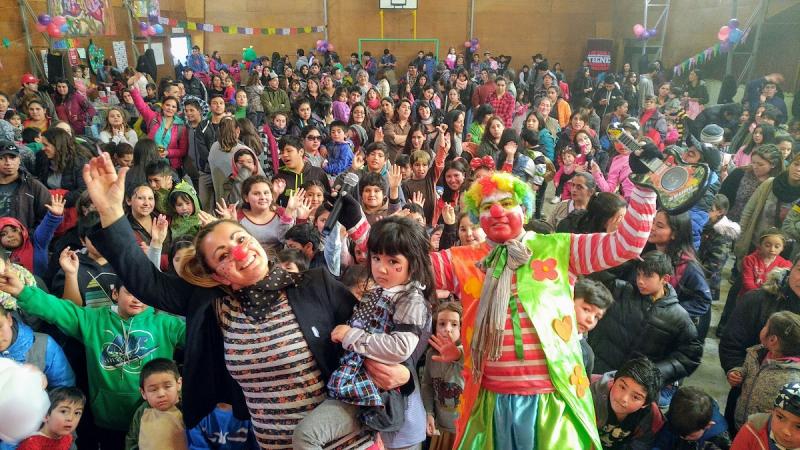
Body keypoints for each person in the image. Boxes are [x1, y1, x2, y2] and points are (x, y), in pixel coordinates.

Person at [81, 153, 406, 448]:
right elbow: (146, 282)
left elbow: (379, 325)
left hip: (350, 440)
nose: (240, 250)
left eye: (240, 238)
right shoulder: (212, 302)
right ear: (217, 275)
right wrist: (111, 211)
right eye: (224, 254)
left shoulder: (313, 284)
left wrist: (403, 374)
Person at [405, 152, 658, 448]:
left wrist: (642, 187)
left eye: (507, 203)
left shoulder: (558, 248)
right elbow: (407, 268)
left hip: (550, 402)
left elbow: (625, 245)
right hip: (489, 402)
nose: (497, 212)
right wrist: (374, 227)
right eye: (487, 206)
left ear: (524, 209)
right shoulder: (463, 259)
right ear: (477, 217)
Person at [293, 216, 433, 449]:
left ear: (413, 264)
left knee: (306, 435)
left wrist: (350, 336)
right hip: (359, 391)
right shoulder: (378, 292)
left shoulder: (411, 299)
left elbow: (401, 349)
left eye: (392, 261)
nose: (381, 268)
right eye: (376, 258)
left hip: (383, 401)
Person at [588, 251, 703, 384]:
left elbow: (689, 356)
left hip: (634, 388)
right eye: (638, 274)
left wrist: (652, 376)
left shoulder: (678, 317)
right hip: (596, 374)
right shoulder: (621, 291)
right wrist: (626, 259)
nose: (640, 281)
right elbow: (595, 278)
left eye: (648, 276)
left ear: (665, 279)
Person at [728, 311, 800, 430]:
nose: (763, 328)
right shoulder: (757, 353)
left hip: (760, 431)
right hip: (740, 420)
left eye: (766, 326)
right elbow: (747, 369)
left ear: (772, 339)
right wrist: (738, 372)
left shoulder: (793, 378)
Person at [590, 357, 665, 449]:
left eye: (635, 397)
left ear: (645, 404)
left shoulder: (651, 416)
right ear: (614, 381)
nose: (624, 398)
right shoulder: (588, 391)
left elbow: (640, 445)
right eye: (622, 387)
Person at [422, 302, 464, 450]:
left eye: (454, 324)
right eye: (442, 324)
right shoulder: (431, 355)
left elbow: (467, 360)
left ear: (461, 328)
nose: (447, 329)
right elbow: (427, 385)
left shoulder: (468, 354)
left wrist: (458, 355)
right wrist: (429, 413)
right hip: (441, 428)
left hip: (465, 431)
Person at [126, 358, 187, 450]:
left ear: (179, 383)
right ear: (143, 393)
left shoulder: (188, 410)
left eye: (167, 386)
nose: (161, 394)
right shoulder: (142, 411)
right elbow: (132, 440)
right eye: (153, 390)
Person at [0, 194, 64, 276]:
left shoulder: (37, 243)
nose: (10, 235)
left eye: (14, 230)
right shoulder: (2, 256)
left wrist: (54, 216)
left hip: (40, 286)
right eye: (3, 234)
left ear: (22, 231)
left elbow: (45, 230)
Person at [129, 87, 188, 172]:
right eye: (167, 105)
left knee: (180, 185)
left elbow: (183, 151)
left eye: (173, 107)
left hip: (172, 167)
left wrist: (168, 152)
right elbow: (141, 106)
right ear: (162, 106)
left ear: (177, 110)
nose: (170, 108)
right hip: (150, 163)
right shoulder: (153, 117)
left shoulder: (181, 127)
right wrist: (132, 89)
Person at [652, 386, 730, 450]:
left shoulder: (719, 439)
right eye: (679, 433)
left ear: (708, 425)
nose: (683, 438)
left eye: (691, 436)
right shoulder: (675, 417)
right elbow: (662, 440)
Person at [731, 382, 800, 450]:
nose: (785, 431)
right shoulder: (753, 429)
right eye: (780, 417)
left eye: (798, 426)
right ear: (773, 411)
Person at [0, 141, 52, 230]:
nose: (8, 162)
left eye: (12, 157)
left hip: (24, 241)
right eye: (1, 158)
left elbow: (47, 218)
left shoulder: (33, 186)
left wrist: (29, 236)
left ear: (19, 160)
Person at [698, 194, 741, 301]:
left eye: (710, 209)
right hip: (702, 271)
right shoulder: (709, 224)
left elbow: (716, 261)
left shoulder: (722, 233)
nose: (706, 211)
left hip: (708, 278)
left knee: (704, 304)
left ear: (720, 212)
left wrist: (699, 273)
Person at [16, 387, 86, 450]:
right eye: (63, 411)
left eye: (77, 413)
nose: (71, 418)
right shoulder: (30, 446)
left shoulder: (68, 437)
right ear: (46, 415)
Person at [573, 278, 614, 376]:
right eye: (586, 309)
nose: (590, 320)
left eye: (597, 317)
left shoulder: (586, 354)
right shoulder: (543, 327)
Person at [741, 228, 793, 296]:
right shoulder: (750, 260)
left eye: (777, 247)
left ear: (782, 248)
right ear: (760, 245)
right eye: (767, 245)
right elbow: (748, 282)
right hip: (748, 298)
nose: (772, 249)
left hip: (770, 301)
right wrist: (758, 297)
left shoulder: (785, 265)